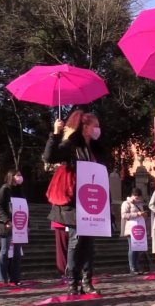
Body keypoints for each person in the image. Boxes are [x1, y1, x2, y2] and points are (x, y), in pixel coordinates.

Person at [43, 110, 105, 295]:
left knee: (89, 244)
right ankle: (72, 282)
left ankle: (87, 282)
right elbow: (49, 157)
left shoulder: (95, 149)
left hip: (91, 203)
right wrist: (55, 133)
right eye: (95, 126)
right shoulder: (72, 146)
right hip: (74, 202)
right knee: (76, 241)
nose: (98, 129)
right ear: (85, 128)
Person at [0, 169, 26, 286]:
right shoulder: (5, 189)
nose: (20, 177)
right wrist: (6, 220)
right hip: (6, 226)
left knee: (17, 253)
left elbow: (24, 208)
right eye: (18, 175)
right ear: (11, 176)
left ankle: (15, 278)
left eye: (21, 175)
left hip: (19, 226)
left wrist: (28, 224)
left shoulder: (20, 190)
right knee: (4, 251)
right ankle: (0, 278)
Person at [121, 188, 149, 275]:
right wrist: (137, 214)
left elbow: (143, 214)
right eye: (136, 198)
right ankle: (132, 268)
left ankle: (136, 267)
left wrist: (144, 214)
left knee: (137, 248)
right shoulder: (126, 203)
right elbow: (124, 215)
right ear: (132, 196)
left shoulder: (140, 204)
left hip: (139, 229)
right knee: (132, 248)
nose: (138, 199)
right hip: (130, 229)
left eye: (139, 198)